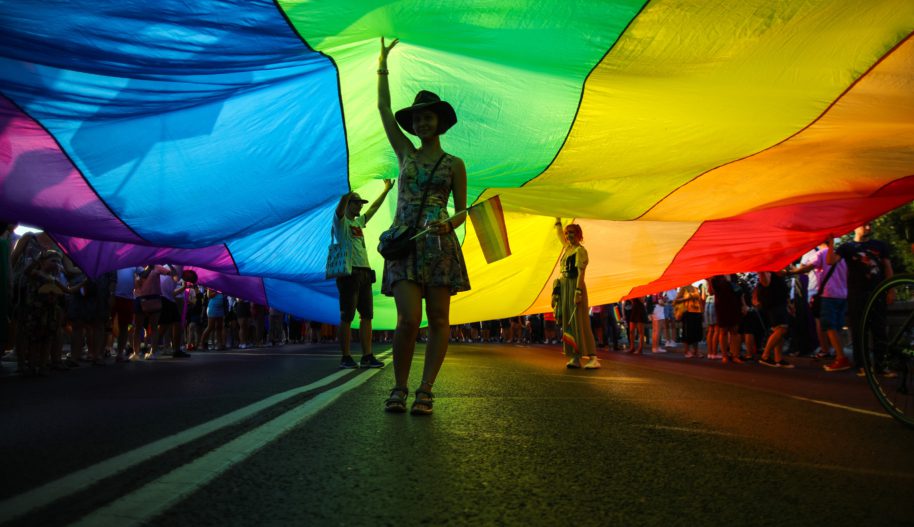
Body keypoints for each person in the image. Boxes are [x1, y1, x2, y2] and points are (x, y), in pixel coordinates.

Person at [377, 37, 471, 414]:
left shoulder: (455, 163)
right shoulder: (405, 153)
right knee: (407, 319)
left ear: (441, 123)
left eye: (428, 116)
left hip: (439, 248)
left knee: (439, 319)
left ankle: (426, 389)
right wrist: (382, 65)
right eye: (417, 117)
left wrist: (449, 224)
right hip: (405, 243)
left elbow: (462, 211)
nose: (422, 121)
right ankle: (399, 387)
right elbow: (383, 108)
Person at [331, 182, 393, 369]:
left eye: (360, 203)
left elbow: (373, 208)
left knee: (367, 316)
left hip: (365, 273)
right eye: (356, 202)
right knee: (347, 316)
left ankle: (367, 356)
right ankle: (346, 357)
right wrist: (345, 192)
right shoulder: (340, 222)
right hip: (349, 273)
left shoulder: (358, 222)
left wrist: (385, 190)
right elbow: (340, 207)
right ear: (348, 203)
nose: (360, 206)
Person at [827, 224, 894, 375]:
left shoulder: (880, 245)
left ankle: (881, 366)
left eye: (869, 224)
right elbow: (831, 261)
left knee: (879, 330)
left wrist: (891, 289)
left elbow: (887, 267)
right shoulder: (847, 247)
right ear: (855, 227)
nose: (868, 227)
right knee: (859, 330)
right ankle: (862, 365)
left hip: (878, 292)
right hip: (857, 294)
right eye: (864, 224)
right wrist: (831, 242)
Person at [552, 219, 600, 369]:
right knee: (568, 322)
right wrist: (558, 222)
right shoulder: (567, 249)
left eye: (571, 232)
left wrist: (578, 291)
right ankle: (575, 357)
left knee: (580, 321)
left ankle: (593, 357)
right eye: (567, 233)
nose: (568, 235)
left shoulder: (580, 251)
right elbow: (560, 236)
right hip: (565, 286)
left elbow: (581, 273)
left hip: (575, 286)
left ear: (578, 234)